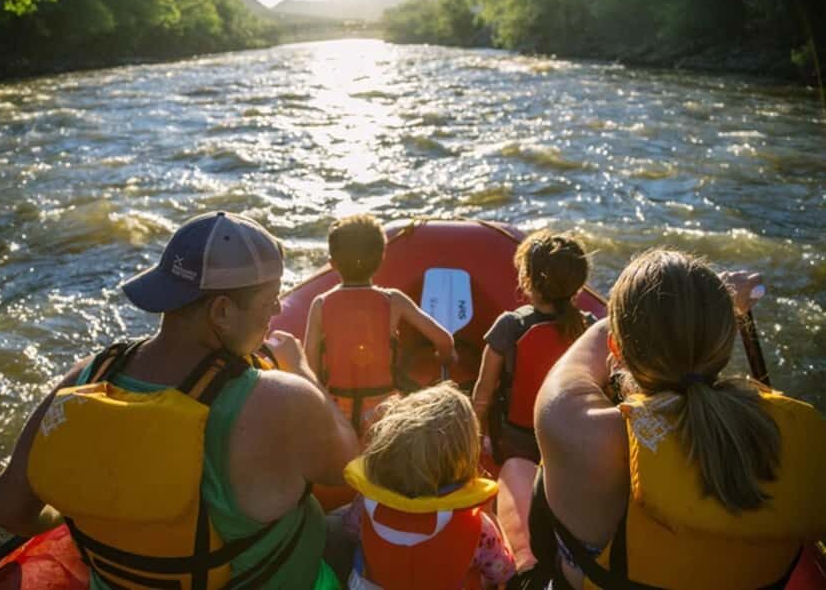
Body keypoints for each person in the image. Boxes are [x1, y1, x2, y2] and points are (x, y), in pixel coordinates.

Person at [0, 211, 359, 590]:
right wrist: (302, 371)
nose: (277, 311)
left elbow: (5, 510)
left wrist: (84, 509)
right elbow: (347, 467)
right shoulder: (284, 399)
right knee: (354, 523)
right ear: (222, 312)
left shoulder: (87, 377)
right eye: (269, 301)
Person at [522, 249, 826, 589]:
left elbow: (576, 364)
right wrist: (712, 305)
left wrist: (700, 303)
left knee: (517, 470)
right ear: (724, 344)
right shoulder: (802, 444)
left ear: (617, 348)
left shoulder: (576, 428)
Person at [343, 383, 516, 589]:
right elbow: (503, 571)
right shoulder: (479, 527)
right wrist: (493, 519)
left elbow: (351, 530)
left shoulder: (366, 503)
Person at [304, 214, 455, 437]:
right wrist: (446, 357)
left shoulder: (321, 304)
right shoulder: (393, 300)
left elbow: (310, 367)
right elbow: (444, 340)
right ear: (381, 258)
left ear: (333, 264)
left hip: (337, 411)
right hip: (384, 411)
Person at [471, 230, 590, 463]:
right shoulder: (590, 327)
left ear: (527, 280)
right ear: (578, 284)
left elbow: (483, 393)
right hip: (571, 438)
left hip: (517, 440)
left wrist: (475, 442)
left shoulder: (509, 326)